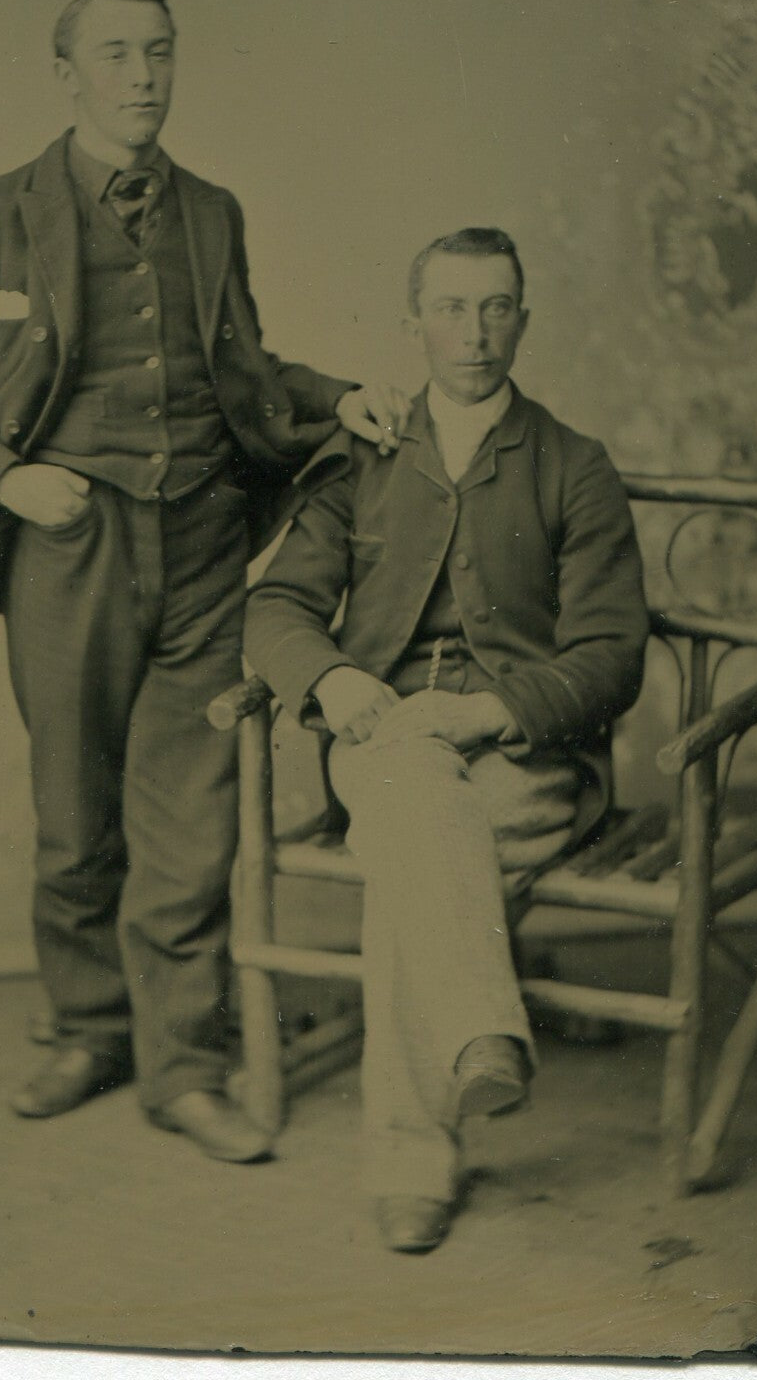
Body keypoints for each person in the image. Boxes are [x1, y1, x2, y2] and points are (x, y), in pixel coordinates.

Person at [0, 0, 408, 1164]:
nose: (142, 76)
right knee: (75, 816)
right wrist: (7, 481)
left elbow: (246, 368)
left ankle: (182, 1067)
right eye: (115, 55)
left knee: (193, 818)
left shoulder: (211, 211)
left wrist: (338, 398)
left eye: (159, 53)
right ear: (65, 72)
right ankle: (88, 1025)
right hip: (70, 548)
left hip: (206, 540)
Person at [244, 227, 649, 1247]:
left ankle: (413, 1159)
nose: (474, 333)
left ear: (524, 317)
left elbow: (612, 656)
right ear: (413, 321)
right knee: (418, 801)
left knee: (412, 857)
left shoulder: (573, 465)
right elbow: (277, 607)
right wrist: (333, 677)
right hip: (379, 729)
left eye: (497, 307)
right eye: (453, 308)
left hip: (523, 756)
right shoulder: (364, 455)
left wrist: (486, 712)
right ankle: (483, 1031)